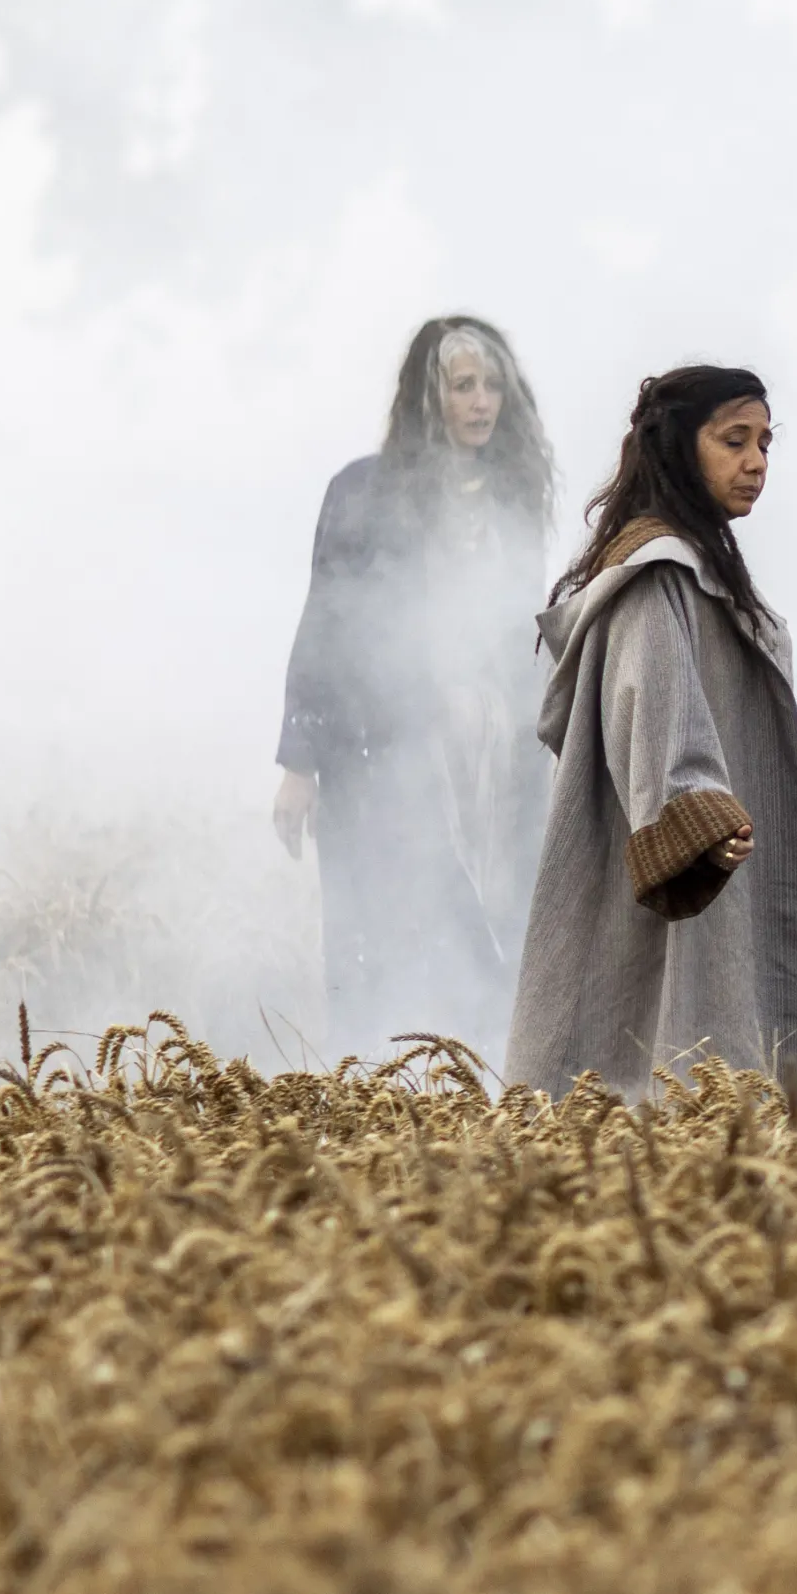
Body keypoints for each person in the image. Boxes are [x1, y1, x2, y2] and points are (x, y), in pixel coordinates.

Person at [504, 366, 797, 1105]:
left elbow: (708, 713)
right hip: (662, 881)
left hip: (702, 879)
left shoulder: (701, 571)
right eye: (734, 440)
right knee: (642, 1078)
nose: (757, 461)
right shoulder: (658, 576)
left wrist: (784, 788)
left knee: (689, 1090)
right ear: (678, 449)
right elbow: (654, 711)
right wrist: (691, 808)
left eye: (764, 442)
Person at [271, 316, 558, 1050]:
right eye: (462, 385)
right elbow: (327, 624)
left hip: (494, 765)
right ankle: (381, 1095)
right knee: (387, 934)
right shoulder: (364, 491)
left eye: (492, 385)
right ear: (425, 396)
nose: (481, 402)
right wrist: (298, 765)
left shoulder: (513, 497)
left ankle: (487, 1085)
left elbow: (520, 631)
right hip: (387, 759)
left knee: (492, 932)